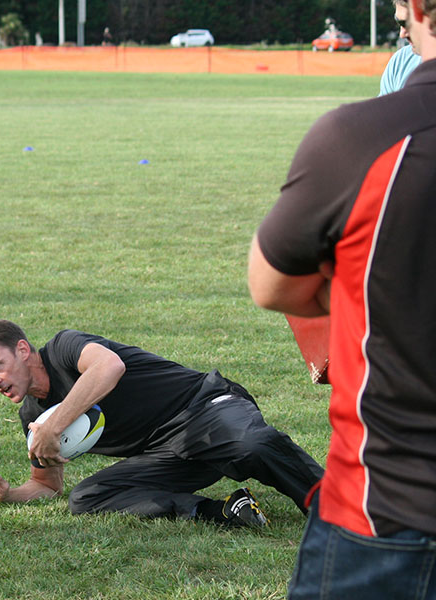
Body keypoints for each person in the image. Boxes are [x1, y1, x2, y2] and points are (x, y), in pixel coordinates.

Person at [248, 0, 436, 595]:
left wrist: (368, 277)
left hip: (385, 509)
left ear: (410, 11)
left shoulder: (359, 137)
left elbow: (272, 286)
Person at [0, 320, 324, 527]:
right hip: (169, 456)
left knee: (253, 445)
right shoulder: (33, 417)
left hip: (204, 409)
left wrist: (56, 424)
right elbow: (47, 485)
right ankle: (222, 511)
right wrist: (7, 494)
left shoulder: (64, 348)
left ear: (23, 350)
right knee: (87, 498)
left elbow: (109, 367)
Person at [379, 0, 422, 95]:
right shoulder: (400, 61)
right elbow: (387, 108)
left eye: (406, 23)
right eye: (399, 23)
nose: (402, 34)